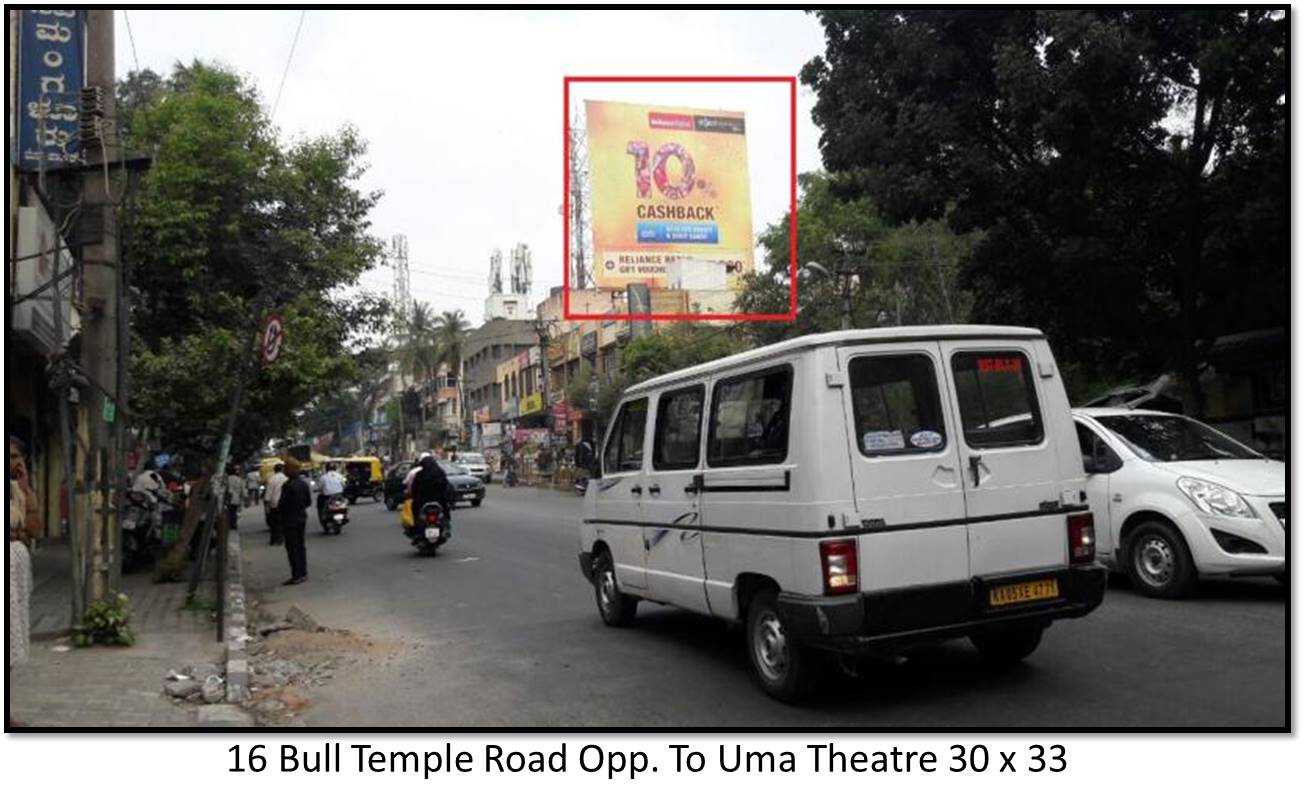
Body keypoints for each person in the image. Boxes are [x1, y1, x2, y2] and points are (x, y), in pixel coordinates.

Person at [10, 436, 42, 671]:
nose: (10, 462)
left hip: (15, 573)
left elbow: (33, 529)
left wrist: (25, 489)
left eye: (14, 456)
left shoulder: (20, 491)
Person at [276, 458, 311, 585]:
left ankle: (296, 575)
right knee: (301, 546)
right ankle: (303, 573)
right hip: (301, 517)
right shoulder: (303, 484)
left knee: (292, 547)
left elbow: (282, 504)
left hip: (290, 520)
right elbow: (308, 502)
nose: (284, 470)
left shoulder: (287, 486)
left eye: (286, 468)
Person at [410, 454, 454, 536]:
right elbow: (446, 486)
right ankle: (447, 527)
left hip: (423, 500)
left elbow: (414, 488)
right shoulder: (440, 473)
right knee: (446, 510)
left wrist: (414, 496)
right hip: (439, 500)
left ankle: (416, 526)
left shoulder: (420, 474)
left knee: (414, 508)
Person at [264, 462, 287, 546]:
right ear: (282, 470)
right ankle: (280, 538)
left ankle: (273, 539)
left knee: (274, 523)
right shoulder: (286, 478)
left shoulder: (272, 479)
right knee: (282, 522)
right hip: (284, 503)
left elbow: (268, 494)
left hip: (274, 503)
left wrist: (267, 505)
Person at [224, 463, 243, 529]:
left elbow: (225, 488)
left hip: (228, 498)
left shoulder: (226, 479)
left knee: (229, 512)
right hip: (236, 498)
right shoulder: (239, 479)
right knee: (234, 512)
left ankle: (229, 524)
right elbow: (242, 489)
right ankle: (234, 524)